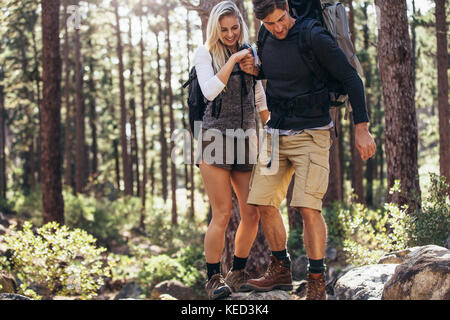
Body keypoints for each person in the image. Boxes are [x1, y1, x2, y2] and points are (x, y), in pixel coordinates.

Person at [237, 0, 376, 300]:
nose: (278, 28)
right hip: (276, 131)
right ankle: (281, 268)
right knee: (262, 202)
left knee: (308, 207)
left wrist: (361, 127)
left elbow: (352, 78)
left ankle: (315, 279)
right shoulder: (265, 36)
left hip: (312, 132)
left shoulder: (313, 34)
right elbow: (275, 71)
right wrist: (255, 70)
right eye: (270, 24)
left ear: (287, 6)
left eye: (281, 20)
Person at [192, 1, 270, 300]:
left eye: (234, 28)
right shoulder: (205, 53)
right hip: (214, 139)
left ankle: (237, 272)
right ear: (215, 27)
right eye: (223, 29)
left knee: (252, 214)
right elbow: (210, 89)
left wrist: (274, 130)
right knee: (222, 214)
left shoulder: (252, 52)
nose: (229, 33)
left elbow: (260, 98)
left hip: (246, 139)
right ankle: (213, 279)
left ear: (241, 24)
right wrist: (234, 58)